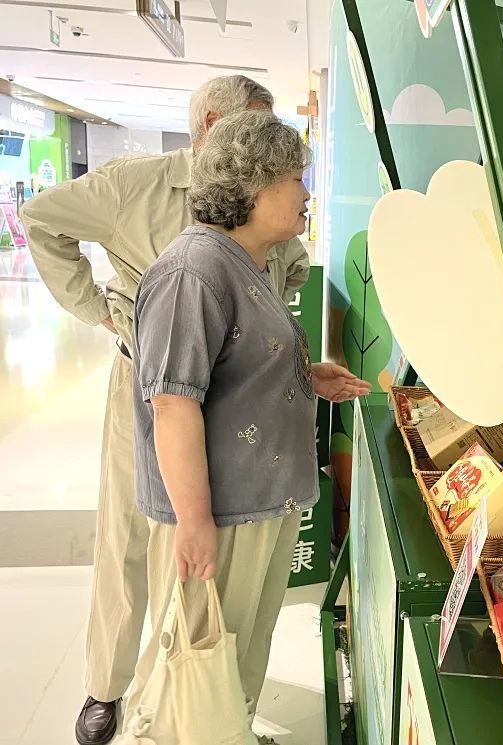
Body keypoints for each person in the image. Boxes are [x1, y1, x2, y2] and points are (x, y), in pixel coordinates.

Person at [19, 75, 311, 745]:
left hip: (234, 398)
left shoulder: (259, 225)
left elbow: (287, 271)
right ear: (214, 127)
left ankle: (209, 706)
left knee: (221, 606)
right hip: (154, 383)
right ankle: (113, 685)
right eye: (254, 133)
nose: (299, 188)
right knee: (136, 538)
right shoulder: (140, 192)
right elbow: (43, 221)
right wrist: (100, 310)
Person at [123, 110, 370, 743]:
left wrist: (304, 375)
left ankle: (230, 730)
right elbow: (172, 403)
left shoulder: (245, 262)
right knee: (200, 660)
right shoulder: (192, 272)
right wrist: (195, 522)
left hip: (259, 501)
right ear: (253, 185)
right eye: (296, 178)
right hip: (222, 512)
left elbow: (231, 370)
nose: (306, 192)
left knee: (239, 651)